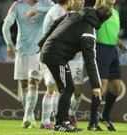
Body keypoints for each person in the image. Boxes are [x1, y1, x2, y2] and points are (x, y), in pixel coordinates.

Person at [39, 6, 112, 132]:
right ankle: (60, 123)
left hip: (53, 52)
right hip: (55, 55)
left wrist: (43, 41)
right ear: (103, 21)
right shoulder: (89, 33)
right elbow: (90, 61)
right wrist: (96, 85)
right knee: (67, 88)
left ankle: (65, 121)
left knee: (69, 88)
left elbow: (56, 22)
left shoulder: (74, 13)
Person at [2, 0, 54, 128]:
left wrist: (37, 10)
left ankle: (26, 116)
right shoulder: (17, 5)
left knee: (33, 82)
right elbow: (6, 25)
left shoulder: (46, 3)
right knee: (24, 84)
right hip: (21, 51)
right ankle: (29, 116)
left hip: (37, 51)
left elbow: (58, 11)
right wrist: (9, 43)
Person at [40, 0, 85, 129]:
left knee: (62, 89)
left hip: (55, 54)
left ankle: (60, 121)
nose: (82, 1)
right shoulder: (58, 13)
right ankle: (51, 122)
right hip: (53, 55)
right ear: (71, 0)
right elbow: (62, 35)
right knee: (57, 89)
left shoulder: (62, 12)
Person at [87, 0, 127, 131]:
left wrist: (120, 44)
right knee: (102, 86)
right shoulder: (97, 9)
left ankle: (105, 117)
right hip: (100, 49)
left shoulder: (116, 13)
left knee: (116, 88)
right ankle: (92, 122)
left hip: (113, 51)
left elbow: (113, 34)